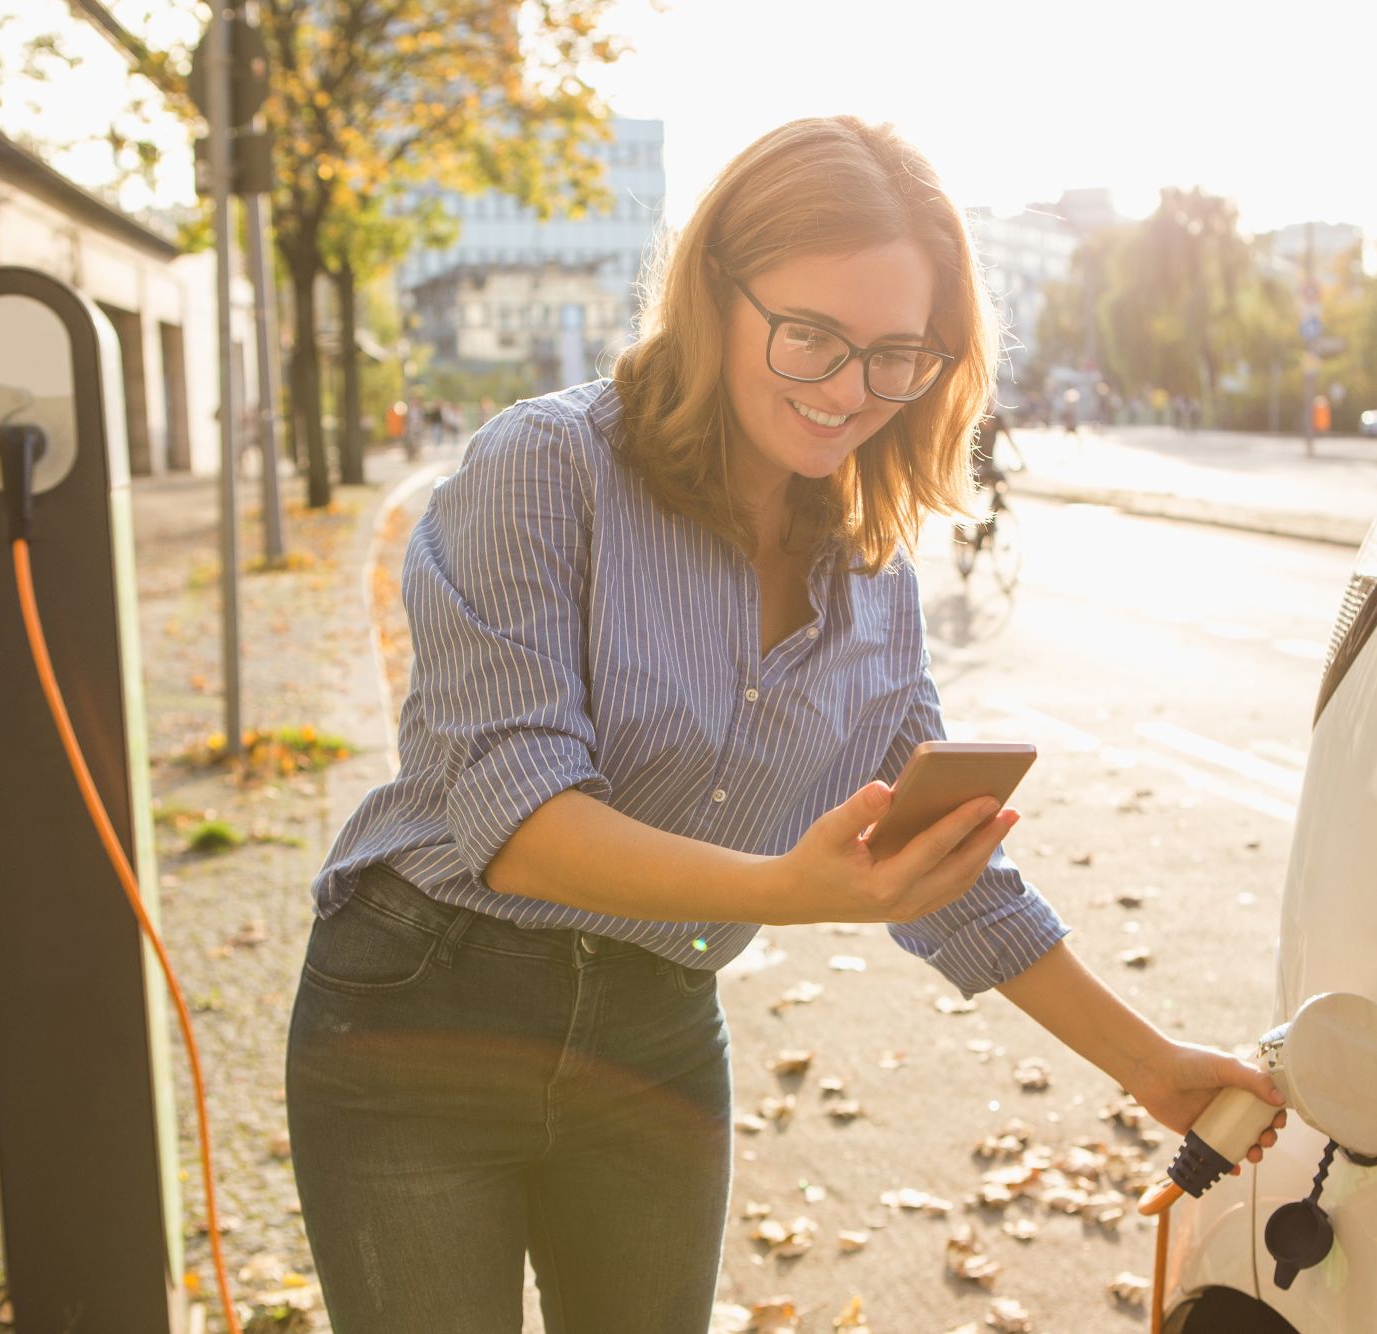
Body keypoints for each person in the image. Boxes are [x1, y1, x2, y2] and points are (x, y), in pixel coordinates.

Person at [283, 115, 1283, 1334]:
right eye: (809, 336)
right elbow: (519, 818)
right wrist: (788, 886)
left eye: (894, 353)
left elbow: (949, 872)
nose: (847, 392)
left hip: (651, 1026)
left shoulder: (872, 570)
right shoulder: (546, 464)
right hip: (422, 1007)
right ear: (714, 292)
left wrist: (1146, 1063)